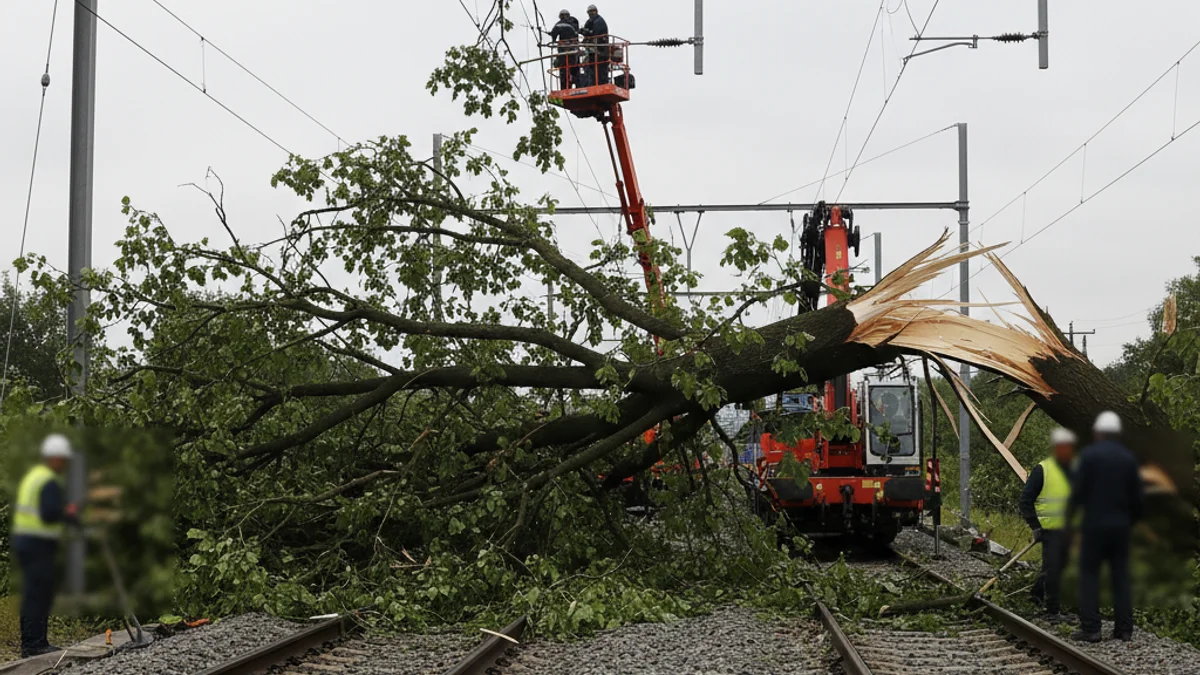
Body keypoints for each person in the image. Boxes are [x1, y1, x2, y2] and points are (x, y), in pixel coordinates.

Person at [1068, 411, 1144, 643]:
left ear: (1098, 432)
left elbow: (1078, 493)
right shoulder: (1129, 458)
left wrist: (1069, 521)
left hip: (1094, 526)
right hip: (1120, 527)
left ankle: (1091, 628)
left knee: (1089, 575)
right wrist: (1130, 522)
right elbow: (1138, 499)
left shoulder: (1089, 456)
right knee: (1120, 576)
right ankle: (1124, 629)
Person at [11, 434, 79, 657]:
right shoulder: (48, 481)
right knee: (39, 594)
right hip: (36, 544)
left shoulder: (34, 476)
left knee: (34, 593)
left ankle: (33, 643)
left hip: (27, 543)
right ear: (55, 458)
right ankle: (35, 645)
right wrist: (69, 515)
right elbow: (49, 514)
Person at [1019, 427, 1076, 623]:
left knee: (1058, 568)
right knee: (1053, 569)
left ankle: (1036, 597)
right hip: (1049, 530)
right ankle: (1052, 611)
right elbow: (1025, 500)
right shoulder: (1042, 469)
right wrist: (1035, 526)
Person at [546, 9, 580, 89]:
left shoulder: (559, 24)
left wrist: (553, 38)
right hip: (574, 51)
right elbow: (576, 33)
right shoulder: (574, 23)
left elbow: (554, 33)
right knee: (575, 68)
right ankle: (577, 85)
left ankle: (565, 87)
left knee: (564, 70)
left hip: (564, 52)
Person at [580, 4, 610, 86]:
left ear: (596, 11)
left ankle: (596, 83)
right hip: (596, 50)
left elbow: (595, 34)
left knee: (598, 68)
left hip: (600, 49)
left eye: (592, 12)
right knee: (590, 65)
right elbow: (588, 33)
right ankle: (592, 82)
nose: (591, 14)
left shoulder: (599, 22)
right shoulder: (591, 21)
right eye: (589, 12)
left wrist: (587, 35)